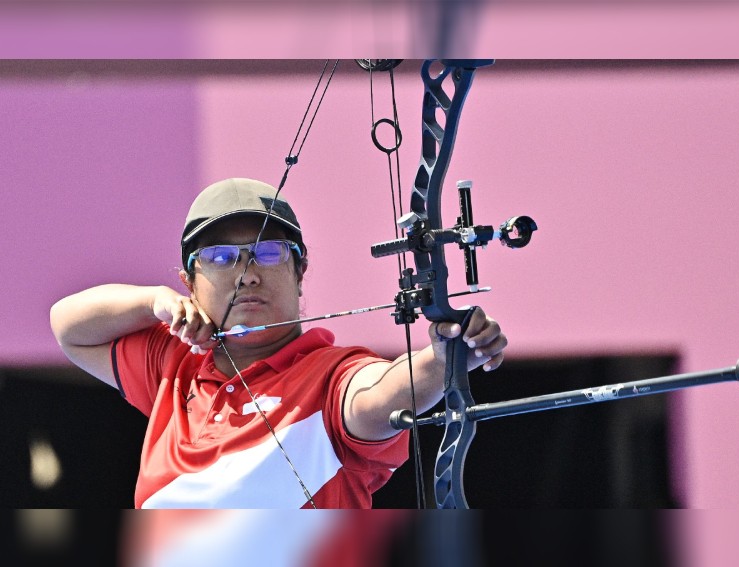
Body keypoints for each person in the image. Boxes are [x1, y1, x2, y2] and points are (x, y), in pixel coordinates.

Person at [50, 177, 507, 509]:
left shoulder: (329, 377)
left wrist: (442, 358)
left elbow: (377, 393)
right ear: (189, 280)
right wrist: (152, 301)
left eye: (269, 253)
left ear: (299, 272)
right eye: (221, 258)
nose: (247, 274)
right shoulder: (174, 365)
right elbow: (68, 327)